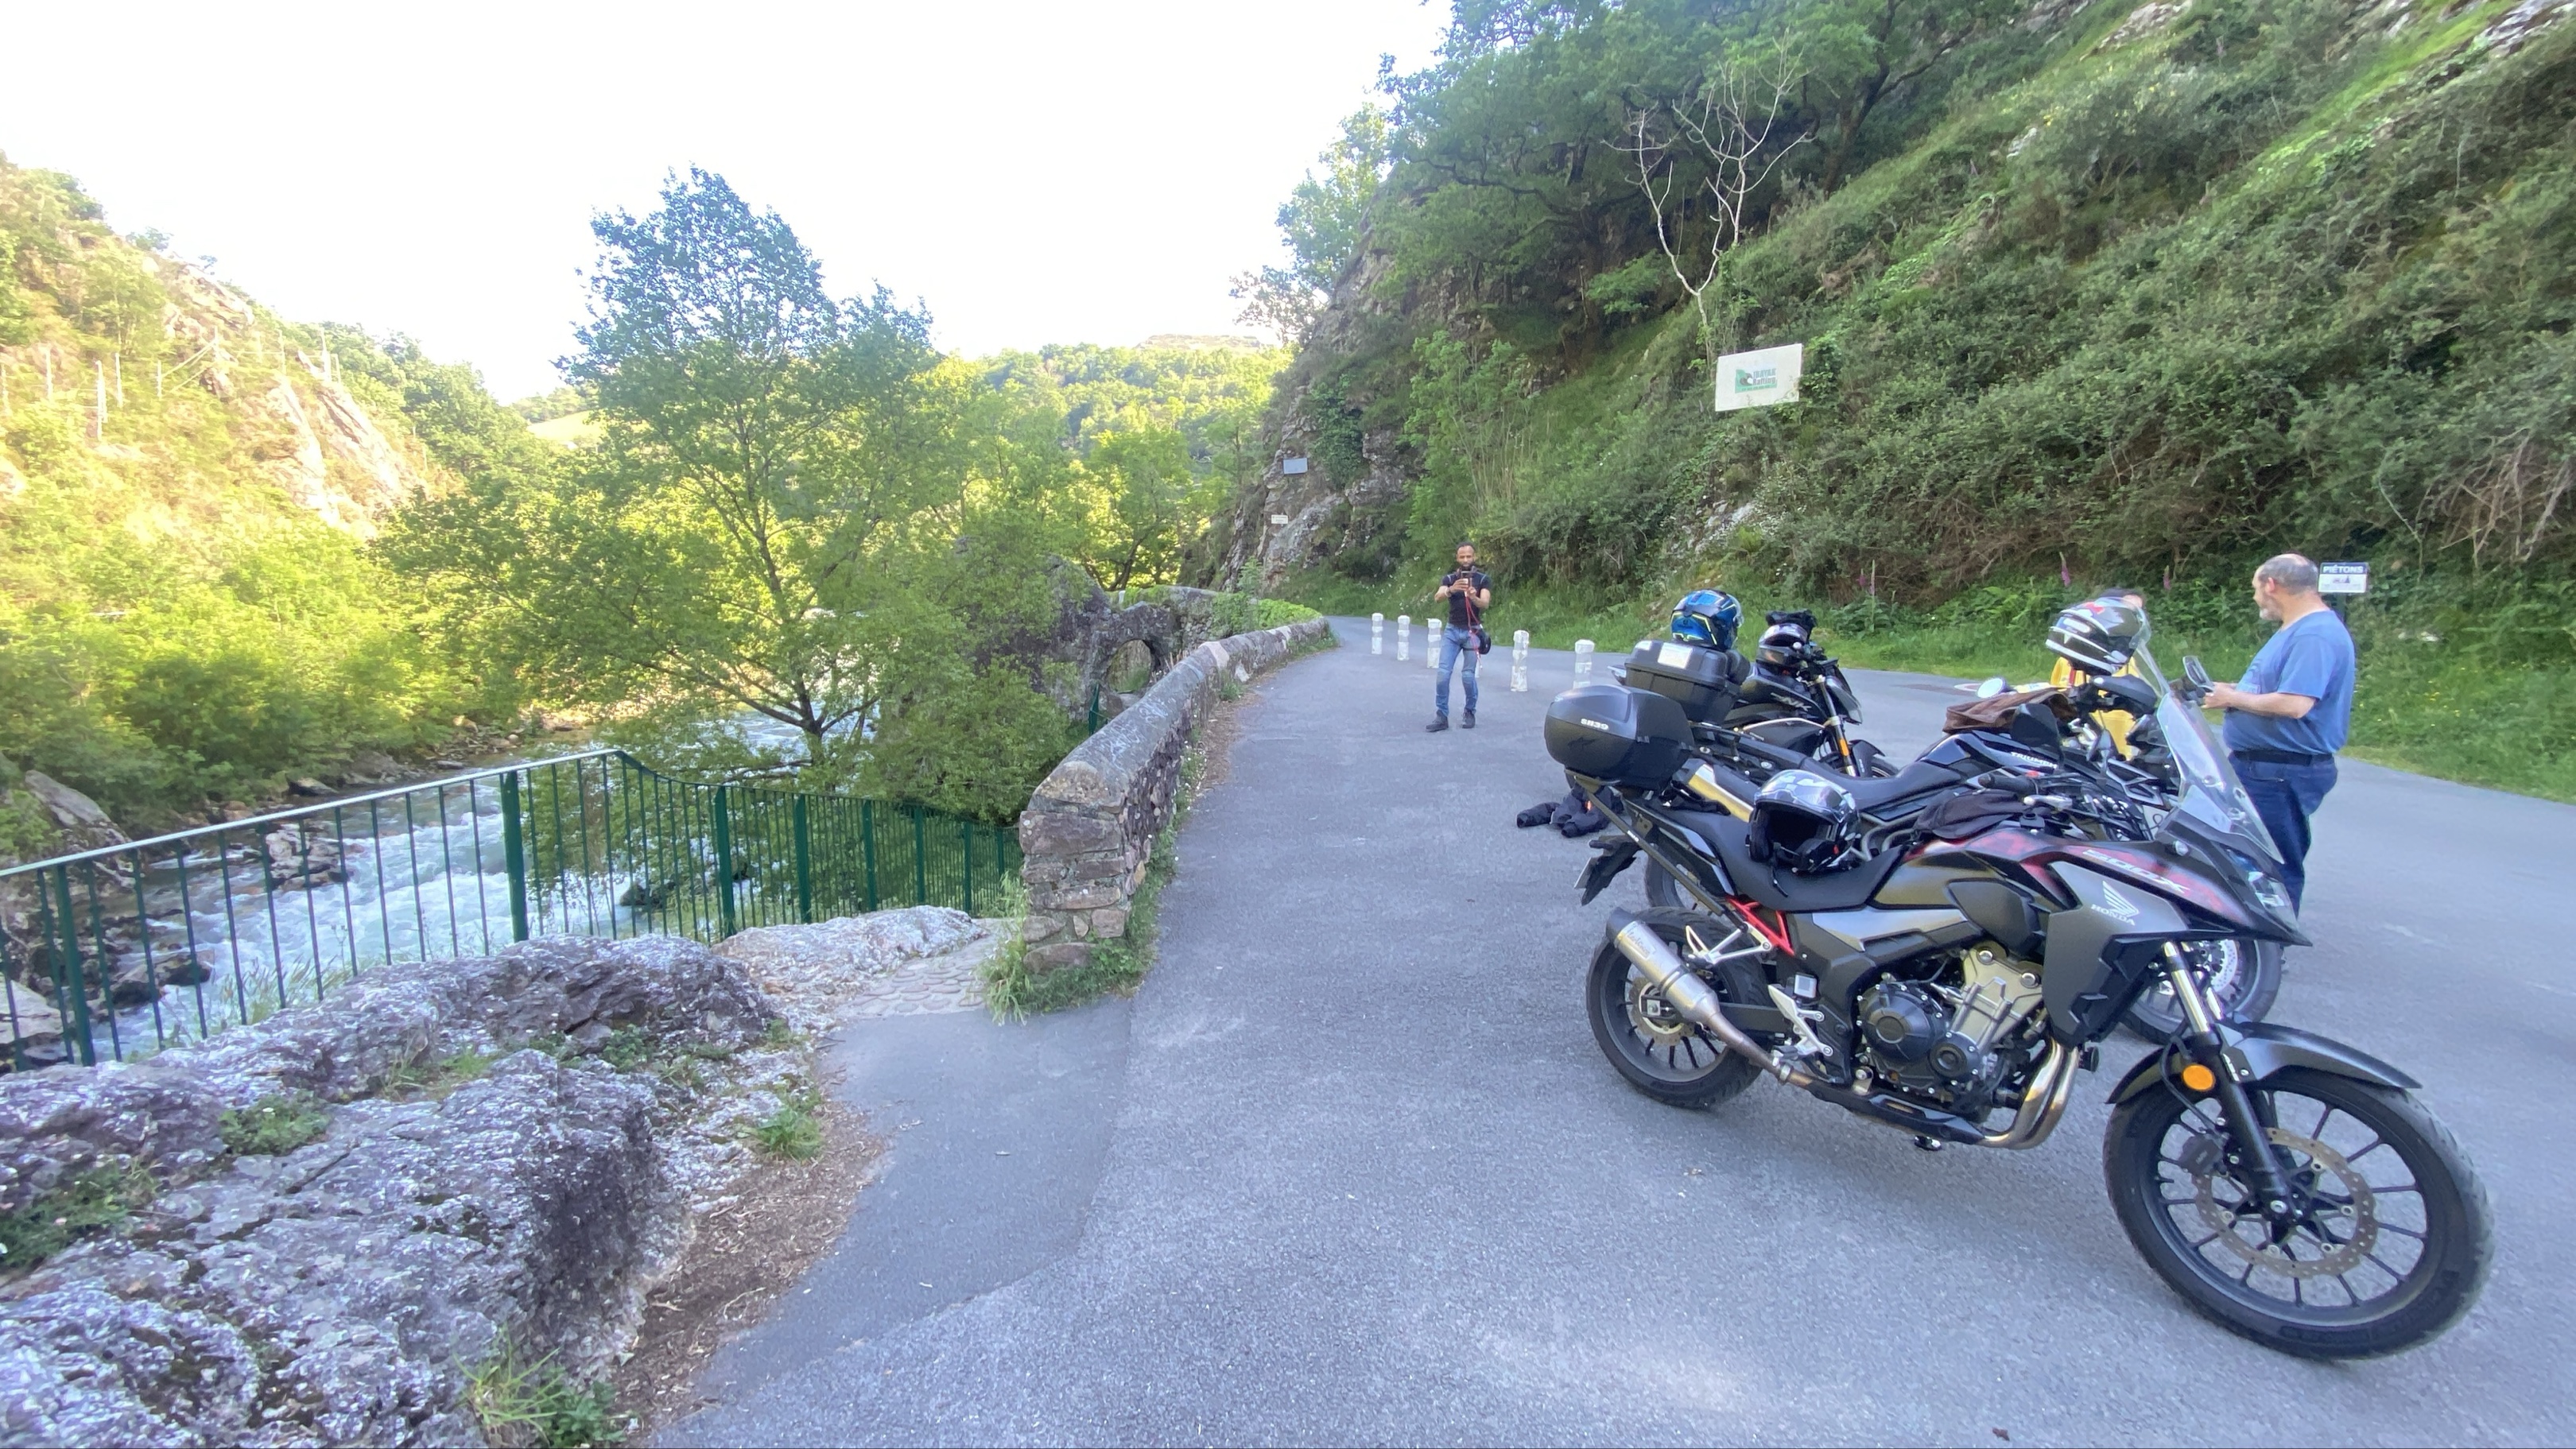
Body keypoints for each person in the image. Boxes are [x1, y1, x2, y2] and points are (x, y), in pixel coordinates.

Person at [2207, 554, 2356, 910]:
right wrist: (2232, 690)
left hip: (2280, 770)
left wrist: (2233, 699)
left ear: (2271, 585)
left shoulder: (2315, 635)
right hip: (2264, 767)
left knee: (2272, 864)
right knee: (2245, 856)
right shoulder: (2298, 629)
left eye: (2256, 588)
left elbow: (2295, 703)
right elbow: (2276, 687)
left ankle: (2272, 940)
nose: (2255, 597)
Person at [2050, 588, 2148, 753]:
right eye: (2127, 611)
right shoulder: (2067, 662)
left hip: (2122, 747)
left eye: (2137, 612)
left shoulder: (2127, 662)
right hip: (2088, 746)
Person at [1426, 542, 1491, 732]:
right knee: (1443, 674)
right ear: (1457, 558)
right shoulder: (1449, 579)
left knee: (1468, 677)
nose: (1465, 560)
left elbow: (1485, 603)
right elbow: (1437, 597)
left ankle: (1469, 712)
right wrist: (1452, 589)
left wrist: (1473, 597)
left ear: (1474, 557)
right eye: (1462, 557)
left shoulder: (1483, 579)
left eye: (1468, 556)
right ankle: (1441, 716)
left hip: (1472, 632)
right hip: (1452, 631)